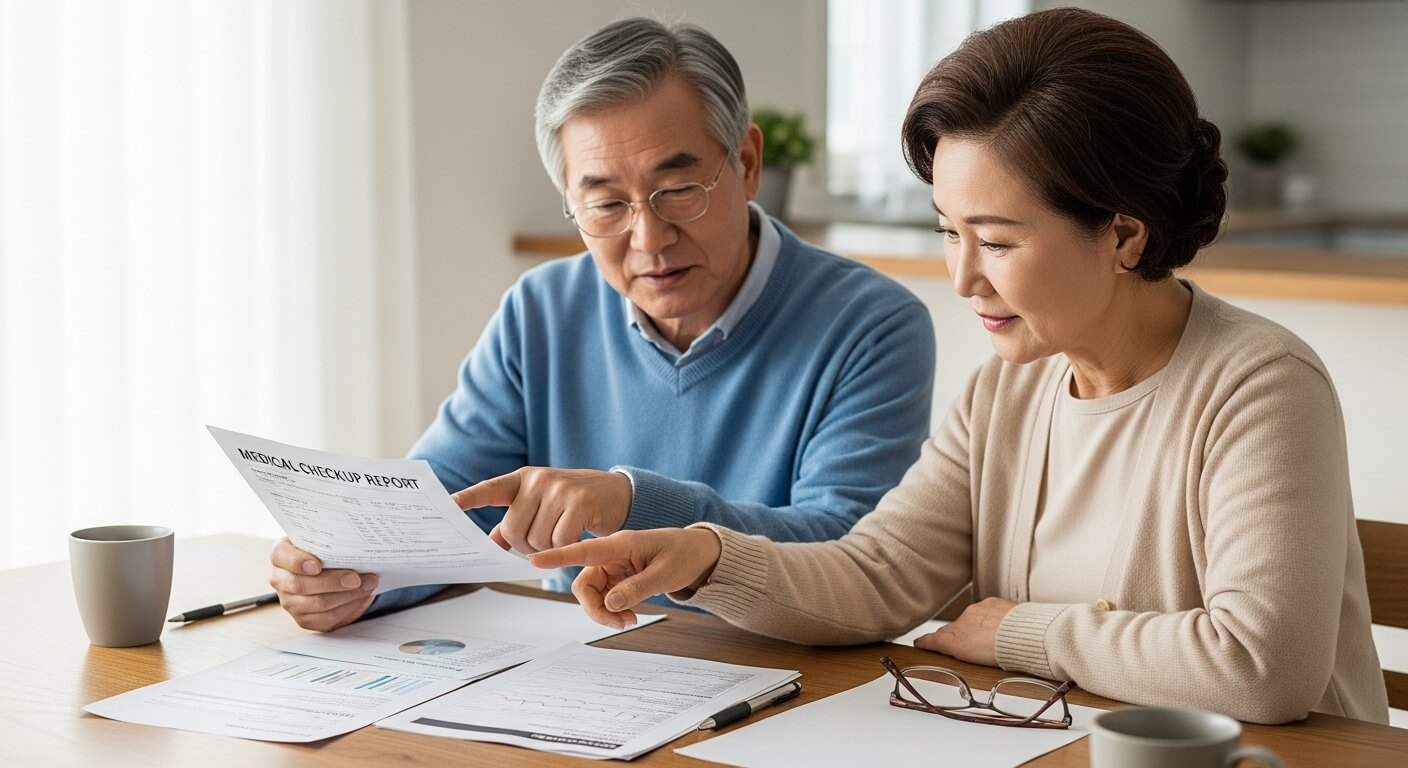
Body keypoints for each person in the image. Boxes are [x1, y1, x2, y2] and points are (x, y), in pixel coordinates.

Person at [532, 8, 1390, 725]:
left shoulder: (1260, 386)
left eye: (998, 241)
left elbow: (1261, 666)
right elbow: (875, 576)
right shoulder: (1007, 390)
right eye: (949, 231)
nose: (964, 277)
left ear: (1124, 235)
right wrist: (704, 557)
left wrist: (1020, 633)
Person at [266, 18, 935, 632]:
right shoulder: (541, 311)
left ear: (748, 163)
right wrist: (352, 575)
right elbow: (446, 511)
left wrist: (635, 502)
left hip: (785, 682)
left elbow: (849, 560)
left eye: (678, 191)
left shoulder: (872, 326)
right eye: (607, 204)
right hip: (585, 671)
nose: (649, 239)